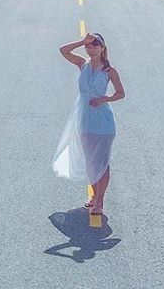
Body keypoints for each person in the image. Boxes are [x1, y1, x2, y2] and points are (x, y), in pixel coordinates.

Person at [53, 32, 126, 215]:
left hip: (103, 122)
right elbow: (63, 50)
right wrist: (81, 41)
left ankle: (100, 201)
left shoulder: (109, 70)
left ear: (102, 48)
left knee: (101, 161)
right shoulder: (82, 64)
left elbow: (120, 93)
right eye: (89, 45)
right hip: (84, 120)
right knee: (90, 161)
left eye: (95, 45)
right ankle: (94, 196)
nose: (91, 48)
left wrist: (103, 99)